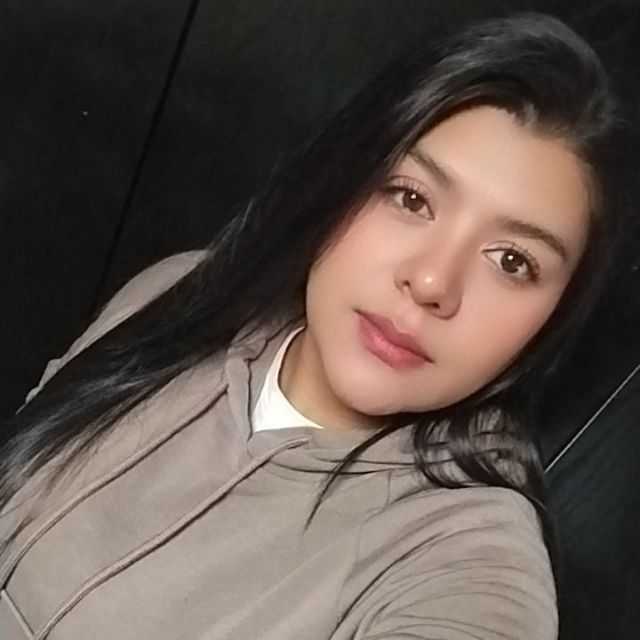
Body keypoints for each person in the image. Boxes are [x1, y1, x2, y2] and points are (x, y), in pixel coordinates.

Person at [0, 11, 627, 640]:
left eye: (513, 262)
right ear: (347, 174)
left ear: (554, 315)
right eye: (411, 198)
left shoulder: (467, 559)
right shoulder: (183, 288)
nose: (433, 282)